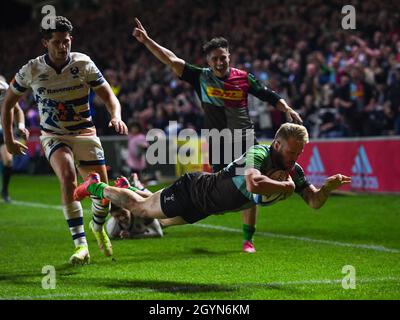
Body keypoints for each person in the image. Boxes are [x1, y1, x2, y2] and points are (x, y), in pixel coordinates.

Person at [133, 18, 303, 253]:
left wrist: (287, 109)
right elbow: (171, 60)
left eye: (223, 57)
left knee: (247, 188)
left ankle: (248, 239)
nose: (219, 62)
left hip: (244, 140)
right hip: (218, 142)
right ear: (208, 61)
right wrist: (147, 41)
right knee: (216, 201)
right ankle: (155, 210)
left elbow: (268, 95)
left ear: (229, 56)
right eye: (214, 58)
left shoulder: (243, 78)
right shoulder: (201, 77)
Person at [74, 123, 351, 241]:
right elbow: (254, 184)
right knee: (144, 210)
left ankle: (127, 187)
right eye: (292, 151)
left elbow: (313, 201)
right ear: (277, 144)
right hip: (195, 191)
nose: (296, 158)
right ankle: (96, 186)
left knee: (158, 221)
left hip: (205, 208)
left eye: (300, 153)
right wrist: (285, 187)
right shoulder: (259, 153)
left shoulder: (295, 170)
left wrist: (325, 188)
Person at [1, 16, 128, 265]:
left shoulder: (83, 63)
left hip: (84, 133)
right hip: (53, 135)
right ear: (45, 43)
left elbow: (109, 96)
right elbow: (8, 104)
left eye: (66, 41)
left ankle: (98, 226)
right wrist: (10, 138)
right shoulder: (32, 69)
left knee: (101, 194)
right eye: (57, 42)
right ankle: (81, 246)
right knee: (67, 176)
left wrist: (116, 116)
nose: (62, 47)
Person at [0, 75, 29, 202]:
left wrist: (21, 126)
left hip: (2, 132)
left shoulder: (6, 90)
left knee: (8, 161)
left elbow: (17, 111)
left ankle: (5, 191)